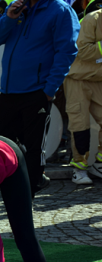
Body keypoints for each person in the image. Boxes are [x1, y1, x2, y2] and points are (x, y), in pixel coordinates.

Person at [0, 0, 79, 197]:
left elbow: (67, 52)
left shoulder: (60, 10)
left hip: (37, 92)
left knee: (33, 149)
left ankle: (28, 193)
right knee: (0, 145)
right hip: (8, 92)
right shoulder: (17, 7)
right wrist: (9, 19)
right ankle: (9, 189)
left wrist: (49, 90)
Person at [64, 1, 102, 184]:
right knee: (80, 124)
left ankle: (99, 164)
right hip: (77, 78)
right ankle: (79, 168)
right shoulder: (93, 18)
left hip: (98, 79)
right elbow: (82, 50)